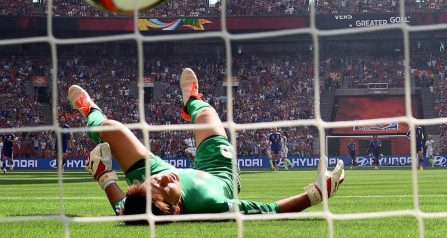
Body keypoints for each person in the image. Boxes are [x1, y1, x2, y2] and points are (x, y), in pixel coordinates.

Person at [69, 68, 344, 222]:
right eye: (166, 187)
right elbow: (269, 210)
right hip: (216, 175)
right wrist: (316, 194)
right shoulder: (213, 204)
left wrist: (105, 178)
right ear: (175, 209)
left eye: (156, 182)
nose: (164, 179)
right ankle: (193, 101)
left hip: (150, 174)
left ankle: (91, 111)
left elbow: (122, 208)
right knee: (207, 114)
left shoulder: (146, 191)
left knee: (111, 130)